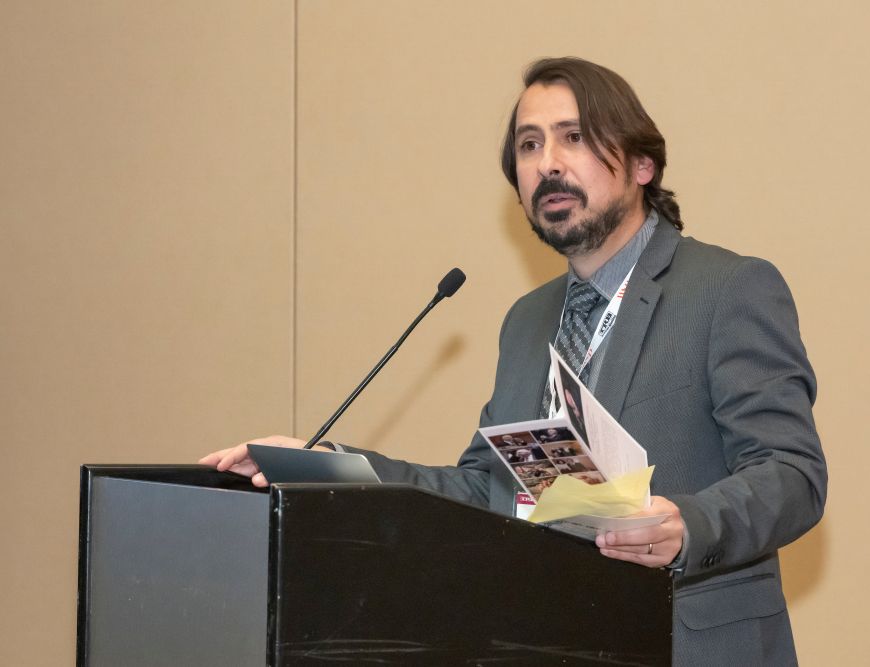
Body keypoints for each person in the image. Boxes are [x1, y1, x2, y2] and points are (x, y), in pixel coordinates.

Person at [201, 57, 826, 665]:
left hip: (687, 643)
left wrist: (687, 525)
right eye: (529, 145)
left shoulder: (727, 290)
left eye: (573, 137)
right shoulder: (527, 321)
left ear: (643, 164)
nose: (546, 163)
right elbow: (484, 488)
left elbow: (792, 473)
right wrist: (323, 468)